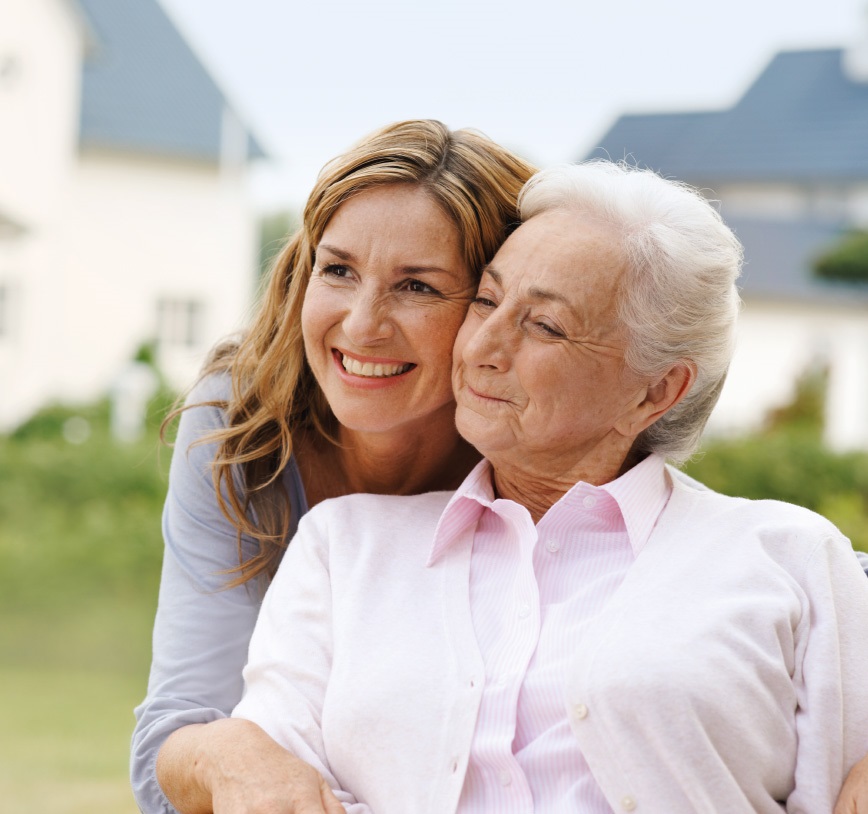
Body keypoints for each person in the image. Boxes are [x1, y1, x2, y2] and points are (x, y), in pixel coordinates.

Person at [232, 160, 868, 813]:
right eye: (486, 300)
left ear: (656, 390)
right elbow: (269, 767)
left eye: (544, 326)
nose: (482, 344)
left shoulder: (790, 559)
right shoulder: (345, 548)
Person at [130, 119, 537, 814]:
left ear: (493, 310)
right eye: (339, 269)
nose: (360, 324)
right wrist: (234, 754)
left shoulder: (532, 450)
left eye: (417, 287)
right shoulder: (242, 425)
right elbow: (171, 745)